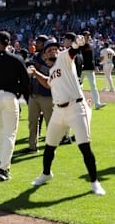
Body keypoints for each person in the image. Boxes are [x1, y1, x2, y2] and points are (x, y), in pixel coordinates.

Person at [28, 35, 106, 196]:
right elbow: (48, 82)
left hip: (76, 108)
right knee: (49, 146)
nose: (53, 51)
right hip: (58, 110)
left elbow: (73, 50)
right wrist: (35, 73)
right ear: (44, 56)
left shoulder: (63, 58)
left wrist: (78, 43)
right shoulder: (52, 70)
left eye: (55, 48)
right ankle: (46, 173)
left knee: (84, 146)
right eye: (49, 50)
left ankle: (94, 182)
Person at [0, 30, 30, 181]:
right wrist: (17, 91)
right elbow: (26, 81)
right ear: (9, 43)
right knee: (10, 133)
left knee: (1, 131)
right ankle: (3, 168)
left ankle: (3, 162)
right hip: (10, 96)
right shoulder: (16, 59)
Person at [25, 34, 53, 154]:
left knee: (50, 122)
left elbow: (52, 72)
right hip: (34, 93)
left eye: (39, 43)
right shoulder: (35, 55)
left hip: (47, 94)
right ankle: (32, 146)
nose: (36, 44)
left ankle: (51, 147)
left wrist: (39, 67)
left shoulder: (51, 57)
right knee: (32, 121)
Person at [80, 31, 105, 109]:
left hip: (90, 69)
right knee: (79, 86)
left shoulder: (90, 46)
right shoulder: (80, 46)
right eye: (86, 36)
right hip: (82, 69)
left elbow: (93, 57)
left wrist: (96, 66)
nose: (88, 38)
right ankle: (79, 104)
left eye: (89, 36)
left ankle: (97, 103)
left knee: (94, 86)